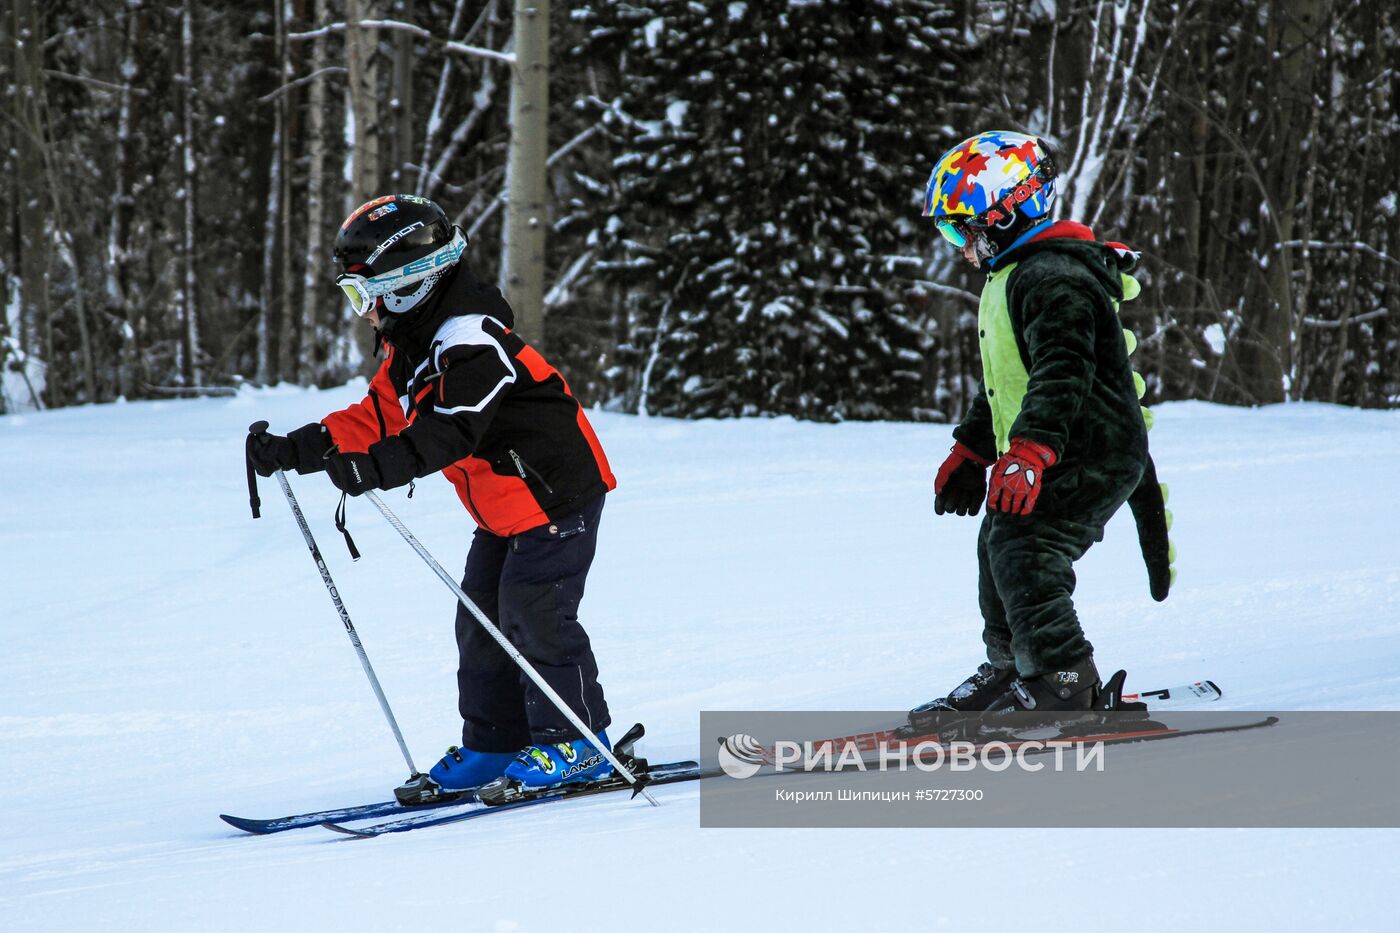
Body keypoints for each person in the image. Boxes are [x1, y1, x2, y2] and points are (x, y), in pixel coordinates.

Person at [247, 194, 618, 791]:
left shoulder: (470, 340)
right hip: (504, 508)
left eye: (362, 295)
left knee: (534, 613)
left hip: (555, 496)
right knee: (480, 620)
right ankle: (497, 745)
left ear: (407, 284)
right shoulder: (413, 342)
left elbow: (451, 428)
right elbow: (377, 417)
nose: (361, 312)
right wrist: (294, 450)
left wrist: (376, 469)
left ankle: (578, 740)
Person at [908, 130, 1174, 727]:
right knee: (1000, 540)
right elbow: (1010, 378)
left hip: (1090, 448)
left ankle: (1061, 679)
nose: (957, 247)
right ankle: (1014, 665)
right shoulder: (1018, 275)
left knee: (1026, 546)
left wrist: (1031, 449)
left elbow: (1062, 370)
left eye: (959, 230)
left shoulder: (1054, 277)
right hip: (1061, 446)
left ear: (1004, 215)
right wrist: (974, 448)